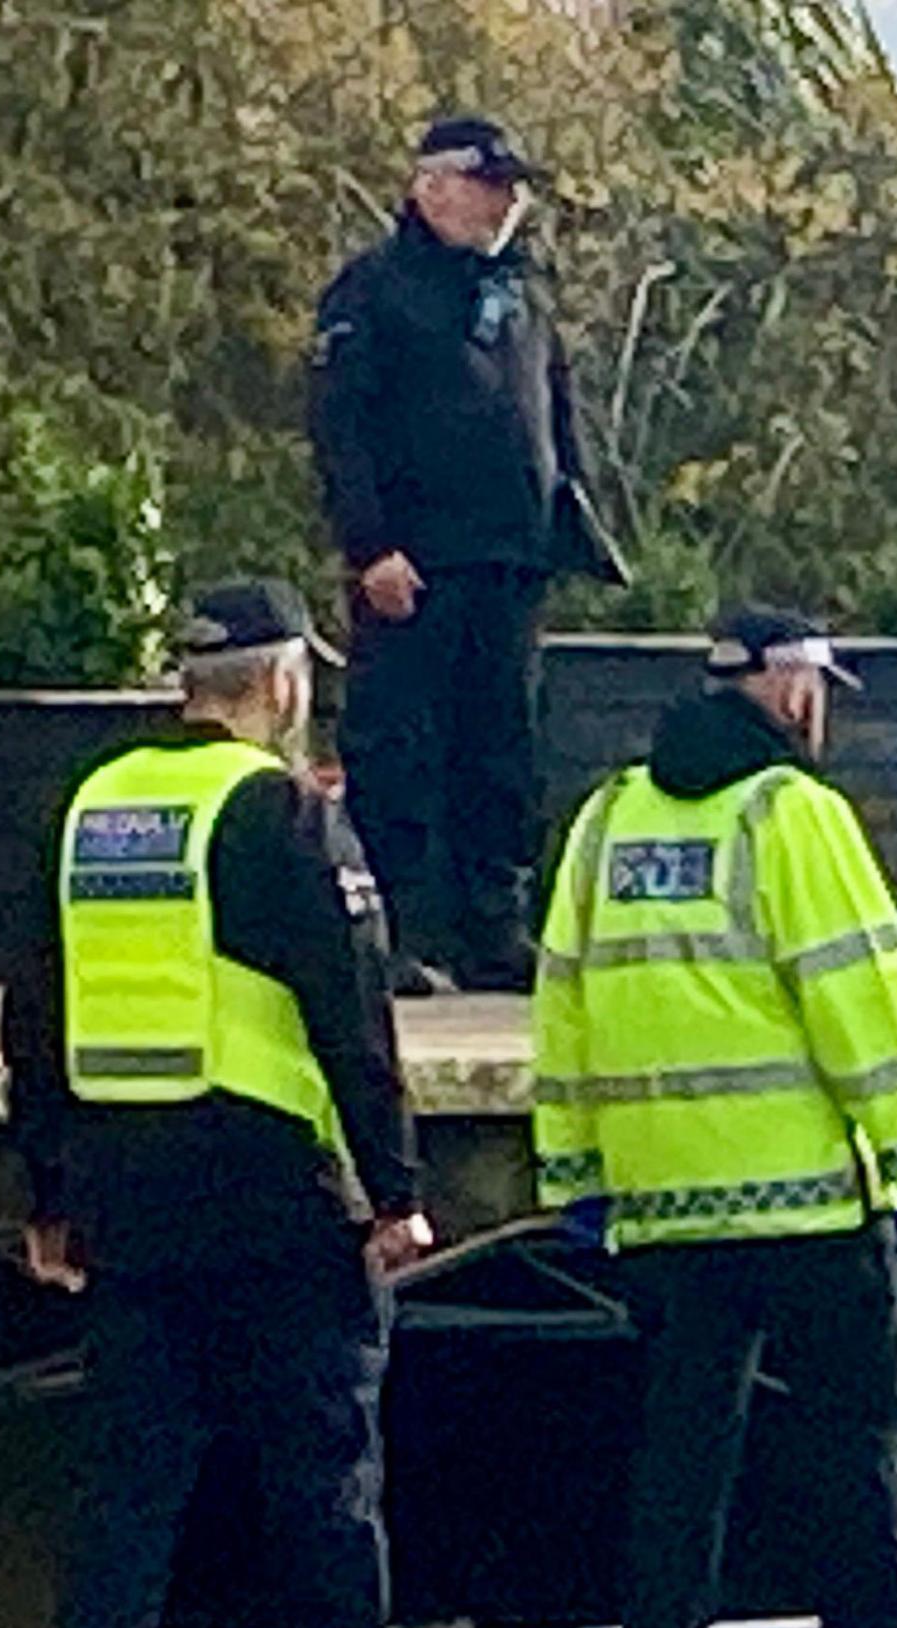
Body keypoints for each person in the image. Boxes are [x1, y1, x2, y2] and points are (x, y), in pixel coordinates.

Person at [2, 579, 431, 1628]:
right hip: (274, 1197)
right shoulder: (281, 812)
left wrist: (46, 1192)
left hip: (126, 1202)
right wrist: (396, 1191)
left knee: (130, 1484)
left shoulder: (91, 807)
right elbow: (354, 1019)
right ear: (285, 681)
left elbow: (34, 1013)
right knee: (320, 1474)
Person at [532, 608, 897, 1628]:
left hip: (665, 1207)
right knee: (852, 1443)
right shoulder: (794, 815)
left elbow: (564, 998)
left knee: (681, 1452)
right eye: (819, 687)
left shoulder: (609, 815)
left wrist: (573, 1172)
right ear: (788, 691)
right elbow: (857, 997)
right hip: (807, 1197)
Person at [309, 113, 626, 996]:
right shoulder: (372, 292)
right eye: (488, 184)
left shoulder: (522, 290)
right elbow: (343, 430)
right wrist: (370, 546)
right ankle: (395, 927)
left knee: (502, 749)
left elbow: (554, 412)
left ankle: (495, 925)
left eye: (511, 188)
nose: (506, 203)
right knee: (399, 745)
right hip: (413, 564)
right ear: (431, 185)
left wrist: (573, 520)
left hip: (509, 558)